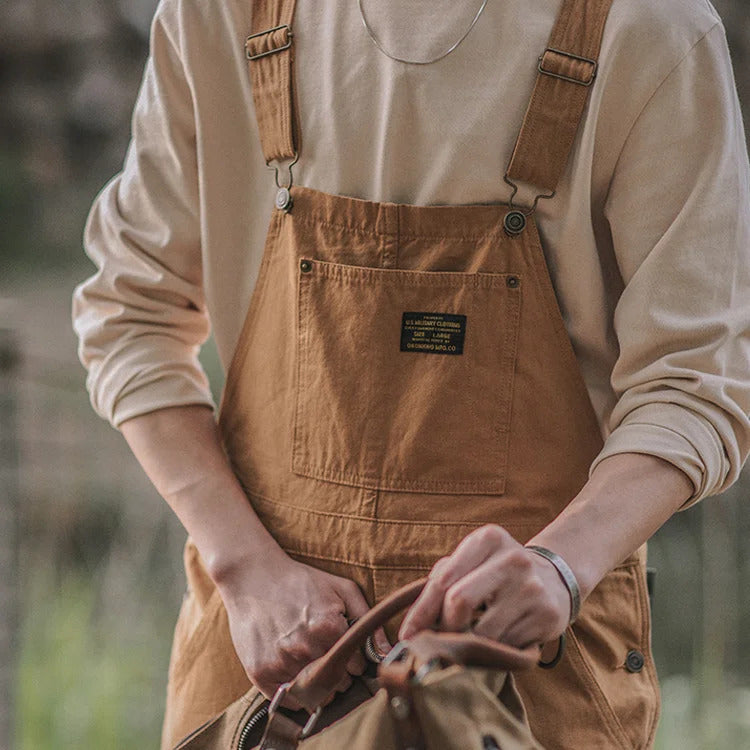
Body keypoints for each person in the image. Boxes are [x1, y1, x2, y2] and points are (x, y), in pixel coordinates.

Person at [72, 0, 750, 747]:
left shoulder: (647, 28)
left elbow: (694, 383)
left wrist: (559, 566)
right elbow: (131, 316)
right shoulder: (220, 14)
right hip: (264, 676)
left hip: (527, 684)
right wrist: (246, 566)